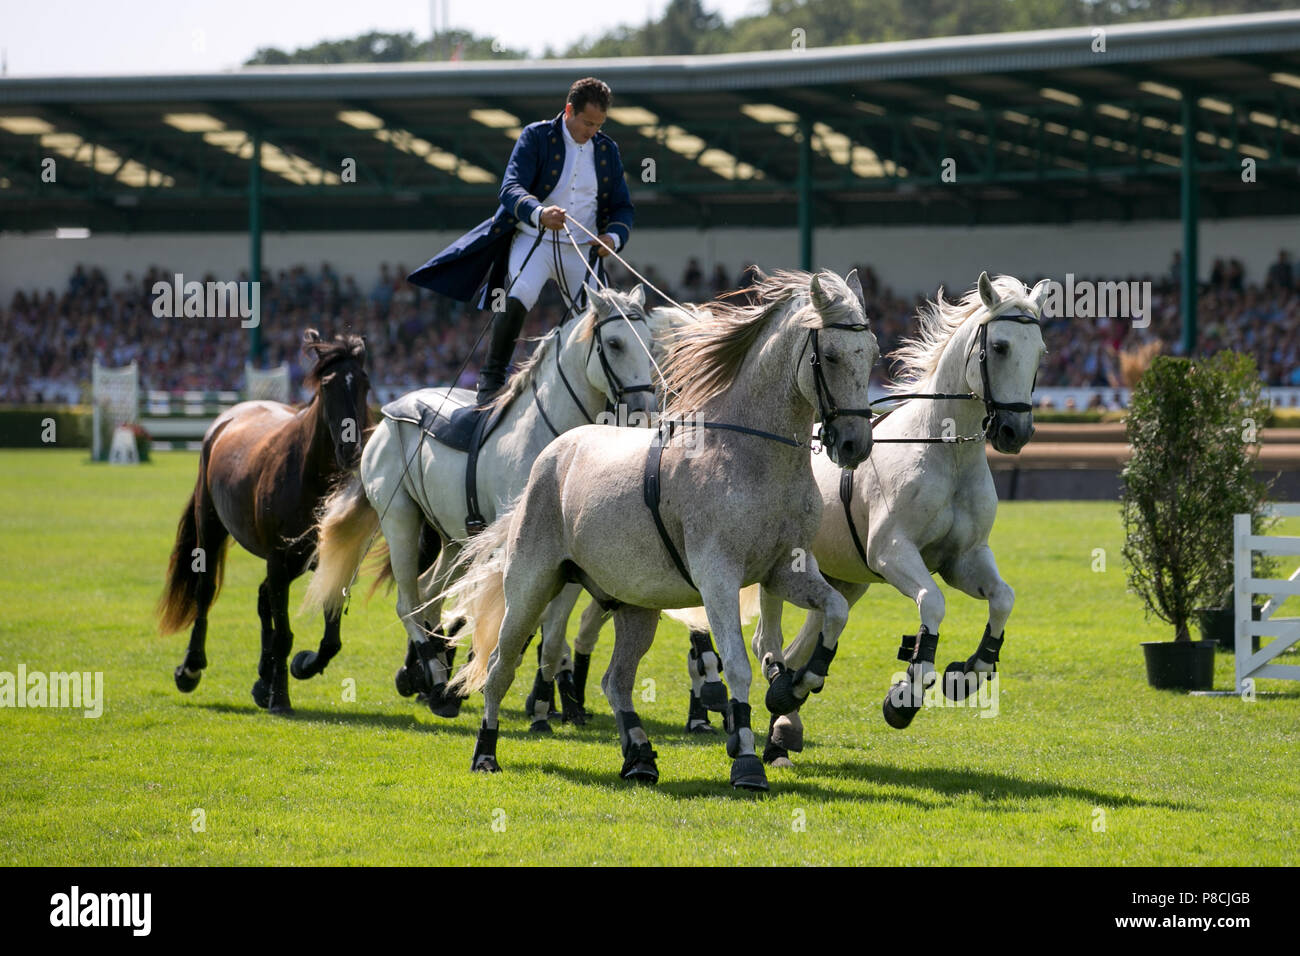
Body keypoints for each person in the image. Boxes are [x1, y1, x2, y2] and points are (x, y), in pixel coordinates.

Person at [407, 76, 635, 405]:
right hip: (534, 239)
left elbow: (622, 207)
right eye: (587, 123)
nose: (592, 131)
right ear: (569, 110)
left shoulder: (606, 150)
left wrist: (613, 237)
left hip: (582, 249)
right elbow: (510, 188)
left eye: (599, 125)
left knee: (604, 319)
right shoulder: (536, 136)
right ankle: (491, 380)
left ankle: (610, 397)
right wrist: (539, 213)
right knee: (518, 294)